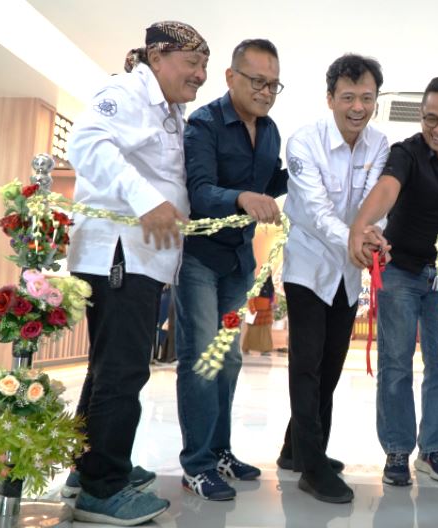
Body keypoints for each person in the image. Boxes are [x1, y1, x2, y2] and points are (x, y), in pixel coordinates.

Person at [66, 21, 209, 525]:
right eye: (192, 64)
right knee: (124, 371)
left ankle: (90, 469)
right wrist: (148, 200)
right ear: (157, 55)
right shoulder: (126, 90)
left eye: (204, 66)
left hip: (141, 259)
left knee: (109, 368)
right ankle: (103, 489)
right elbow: (85, 144)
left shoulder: (169, 109)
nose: (200, 75)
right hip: (118, 253)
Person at [348, 76, 438, 487]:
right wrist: (362, 224)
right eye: (430, 119)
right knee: (395, 364)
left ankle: (432, 450)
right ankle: (397, 450)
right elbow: (387, 189)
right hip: (400, 272)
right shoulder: (406, 152)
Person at [175, 38, 287, 501]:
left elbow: (274, 181)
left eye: (274, 84)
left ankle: (219, 451)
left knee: (229, 359)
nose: (265, 91)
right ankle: (196, 465)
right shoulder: (203, 124)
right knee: (202, 360)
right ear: (231, 77)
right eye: (257, 81)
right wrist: (241, 197)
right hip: (200, 258)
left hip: (240, 261)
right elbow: (199, 191)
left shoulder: (272, 130)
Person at [278, 54, 389, 503]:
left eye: (367, 98)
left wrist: (373, 236)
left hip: (348, 271)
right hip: (307, 266)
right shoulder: (304, 143)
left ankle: (296, 449)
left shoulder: (380, 145)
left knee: (330, 367)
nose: (358, 107)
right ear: (330, 99)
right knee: (306, 366)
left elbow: (374, 201)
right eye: (348, 97)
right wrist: (357, 238)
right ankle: (313, 466)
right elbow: (318, 210)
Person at [242, 275, 275, 354]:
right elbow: (251, 297)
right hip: (256, 311)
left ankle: (265, 349)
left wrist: (272, 305)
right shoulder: (256, 284)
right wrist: (252, 308)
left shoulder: (270, 285)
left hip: (267, 311)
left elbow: (272, 297)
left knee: (266, 331)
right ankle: (246, 348)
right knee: (252, 330)